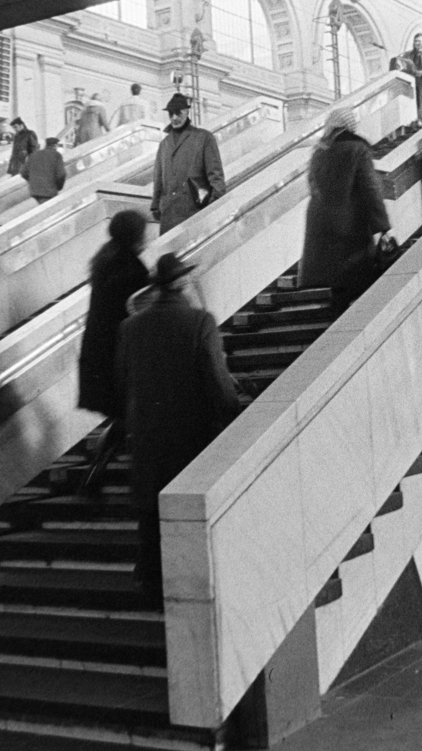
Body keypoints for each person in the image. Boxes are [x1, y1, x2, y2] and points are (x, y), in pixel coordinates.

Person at [116, 252, 240, 607]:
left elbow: (123, 382)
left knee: (151, 513)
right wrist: (233, 416)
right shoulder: (200, 322)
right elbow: (218, 382)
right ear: (183, 284)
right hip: (191, 434)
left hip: (147, 435)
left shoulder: (131, 327)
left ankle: (151, 586)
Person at [77, 209, 151, 494]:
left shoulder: (105, 260)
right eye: (143, 231)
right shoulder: (131, 268)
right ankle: (97, 475)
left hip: (99, 355)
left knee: (124, 416)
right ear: (135, 235)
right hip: (117, 358)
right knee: (129, 415)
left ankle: (95, 474)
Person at [298, 106, 391, 312]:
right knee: (363, 279)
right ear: (349, 125)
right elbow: (370, 188)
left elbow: (313, 185)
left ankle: (338, 317)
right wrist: (382, 226)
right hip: (351, 226)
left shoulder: (319, 152)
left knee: (340, 283)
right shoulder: (357, 149)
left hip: (322, 227)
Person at [152, 93, 226, 233]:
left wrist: (214, 205)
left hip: (195, 211)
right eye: (171, 113)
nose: (174, 117)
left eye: (178, 113)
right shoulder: (164, 144)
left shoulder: (203, 137)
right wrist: (156, 204)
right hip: (169, 214)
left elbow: (216, 175)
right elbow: (158, 177)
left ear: (186, 112)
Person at [390, 33, 422, 119]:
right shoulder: (407, 54)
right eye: (415, 41)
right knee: (410, 105)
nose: (417, 43)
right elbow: (401, 65)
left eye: (419, 41)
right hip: (409, 84)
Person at [24, 136, 66, 204]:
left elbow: (24, 172)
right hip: (49, 190)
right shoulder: (56, 155)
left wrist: (33, 180)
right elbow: (61, 174)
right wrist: (59, 187)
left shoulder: (34, 154)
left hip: (35, 190)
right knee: (49, 210)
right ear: (55, 145)